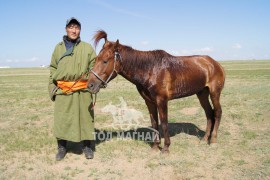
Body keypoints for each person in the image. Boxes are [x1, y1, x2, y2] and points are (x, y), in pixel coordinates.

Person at [48, 17, 96, 161]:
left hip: (82, 89)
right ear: (66, 29)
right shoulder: (58, 48)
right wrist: (53, 88)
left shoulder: (87, 48)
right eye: (71, 27)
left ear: (80, 30)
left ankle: (87, 146)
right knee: (63, 118)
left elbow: (93, 68)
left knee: (86, 118)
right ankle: (62, 147)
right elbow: (53, 68)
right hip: (64, 90)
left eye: (77, 27)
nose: (74, 30)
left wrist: (89, 83)